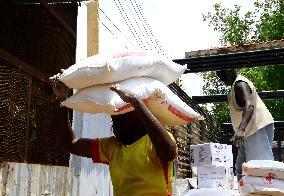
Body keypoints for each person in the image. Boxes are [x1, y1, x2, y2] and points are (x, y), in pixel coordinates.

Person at [50, 77, 177, 196]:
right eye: (113, 121)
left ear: (137, 117)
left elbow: (169, 152)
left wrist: (136, 102)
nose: (114, 126)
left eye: (120, 120)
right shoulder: (111, 147)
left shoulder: (154, 142)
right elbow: (69, 144)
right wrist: (63, 101)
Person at [216, 69, 274, 182]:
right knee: (241, 169)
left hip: (256, 128)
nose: (220, 77)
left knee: (259, 168)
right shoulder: (235, 85)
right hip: (248, 131)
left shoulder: (240, 84)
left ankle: (264, 192)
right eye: (218, 74)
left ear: (230, 70)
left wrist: (240, 130)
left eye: (222, 73)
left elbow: (249, 106)